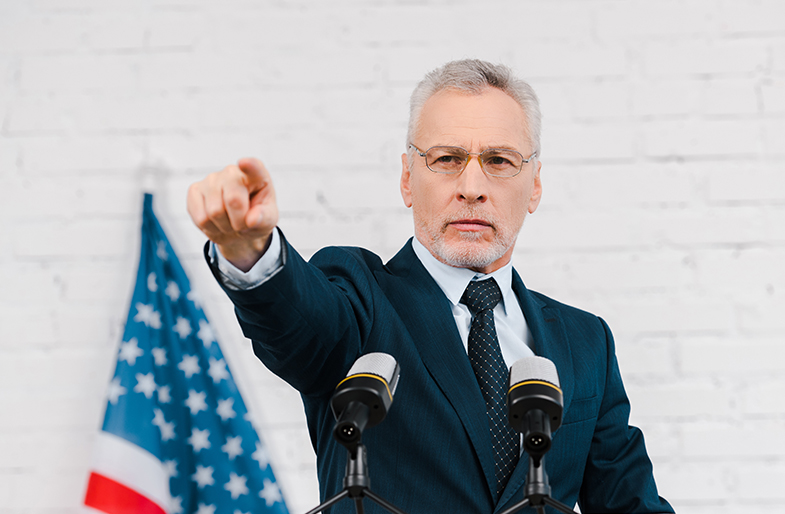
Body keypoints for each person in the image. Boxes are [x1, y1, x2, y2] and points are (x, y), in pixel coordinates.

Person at [187, 59, 674, 514]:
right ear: (407, 179)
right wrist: (251, 249)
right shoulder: (360, 300)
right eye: (446, 158)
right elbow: (298, 320)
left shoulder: (586, 342)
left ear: (536, 186)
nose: (472, 186)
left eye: (500, 161)